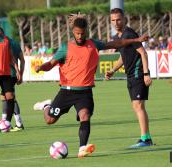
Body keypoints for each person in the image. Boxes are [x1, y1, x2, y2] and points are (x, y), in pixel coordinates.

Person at [34, 13, 148, 158]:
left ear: (86, 31)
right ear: (73, 32)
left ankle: (82, 148)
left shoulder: (94, 44)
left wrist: (136, 39)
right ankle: (46, 106)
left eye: (82, 33)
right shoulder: (65, 47)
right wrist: (40, 67)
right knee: (50, 120)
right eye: (77, 33)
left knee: (85, 115)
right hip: (66, 91)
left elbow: (116, 44)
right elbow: (50, 64)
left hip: (85, 92)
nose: (80, 36)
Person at [105, 8, 153, 149]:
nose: (116, 22)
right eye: (113, 20)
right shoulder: (118, 37)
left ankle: (145, 139)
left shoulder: (129, 33)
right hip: (130, 75)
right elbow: (123, 56)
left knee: (138, 105)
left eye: (118, 19)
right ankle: (146, 137)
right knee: (136, 106)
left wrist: (146, 74)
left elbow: (143, 53)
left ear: (124, 19)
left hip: (138, 73)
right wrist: (113, 70)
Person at [0, 28, 25, 131]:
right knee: (4, 97)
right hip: (11, 74)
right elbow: (22, 60)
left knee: (10, 98)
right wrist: (21, 74)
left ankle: (18, 123)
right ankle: (5, 121)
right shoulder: (14, 42)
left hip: (8, 74)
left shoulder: (4, 43)